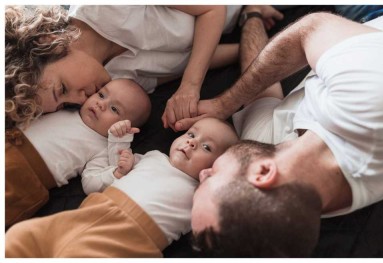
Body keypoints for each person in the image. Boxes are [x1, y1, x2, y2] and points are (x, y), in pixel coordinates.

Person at [186, 9, 383, 257]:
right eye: (209, 179)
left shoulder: (289, 190)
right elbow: (311, 28)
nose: (202, 171)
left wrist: (251, 15)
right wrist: (223, 105)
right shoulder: (375, 104)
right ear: (263, 173)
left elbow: (260, 87)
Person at [5, 117, 239, 258]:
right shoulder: (152, 156)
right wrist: (120, 143)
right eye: (191, 134)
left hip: (131, 237)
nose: (191, 143)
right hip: (88, 213)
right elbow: (116, 161)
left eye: (206, 147)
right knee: (20, 237)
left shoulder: (202, 191)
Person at [5, 5, 241, 130]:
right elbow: (193, 60)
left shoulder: (106, 7)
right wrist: (252, 32)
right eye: (65, 105)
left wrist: (190, 85)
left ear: (50, 44)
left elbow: (212, 9)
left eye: (63, 89)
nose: (80, 101)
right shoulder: (113, 85)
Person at [5, 78, 151, 228]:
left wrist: (115, 173)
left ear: (126, 127)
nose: (101, 104)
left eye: (114, 109)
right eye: (101, 95)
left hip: (26, 178)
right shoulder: (68, 106)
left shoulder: (102, 148)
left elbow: (91, 183)